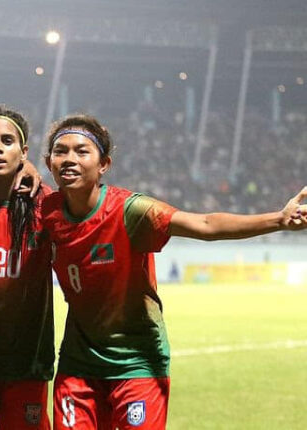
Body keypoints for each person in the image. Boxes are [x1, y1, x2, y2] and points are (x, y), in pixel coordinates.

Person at [41, 114, 307, 430]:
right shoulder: (45, 211)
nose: (69, 159)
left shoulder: (131, 211)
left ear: (104, 165)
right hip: (77, 366)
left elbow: (205, 224)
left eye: (82, 151)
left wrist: (279, 219)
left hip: (138, 364)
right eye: (61, 151)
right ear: (48, 162)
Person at [0, 106, 54, 430]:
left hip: (27, 366)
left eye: (7, 141)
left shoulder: (43, 206)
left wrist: (33, 171)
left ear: (23, 151)